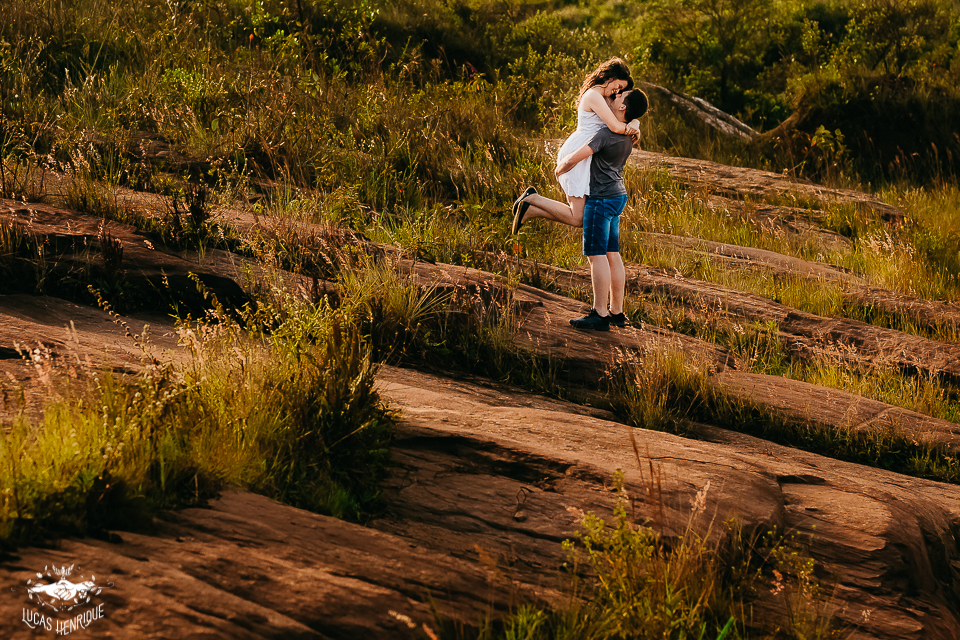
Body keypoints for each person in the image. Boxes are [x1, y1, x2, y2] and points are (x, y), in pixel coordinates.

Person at [512, 58, 641, 233]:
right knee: (578, 217)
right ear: (609, 77)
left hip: (588, 155)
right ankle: (533, 199)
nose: (618, 91)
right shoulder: (594, 95)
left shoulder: (604, 97)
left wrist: (636, 123)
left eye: (621, 89)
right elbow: (615, 126)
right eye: (618, 85)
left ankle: (531, 208)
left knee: (580, 217)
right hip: (578, 151)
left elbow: (625, 113)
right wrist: (634, 128)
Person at [557, 88, 648, 331]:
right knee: (612, 252)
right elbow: (633, 121)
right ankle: (617, 313)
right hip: (618, 197)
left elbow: (575, 158)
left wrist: (560, 169)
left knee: (596, 256)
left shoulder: (605, 135)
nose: (613, 97)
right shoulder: (629, 136)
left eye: (618, 97)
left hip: (601, 200)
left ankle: (599, 314)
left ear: (622, 108)